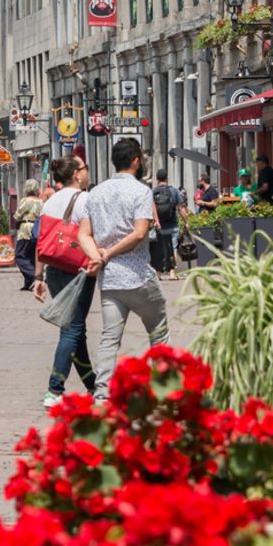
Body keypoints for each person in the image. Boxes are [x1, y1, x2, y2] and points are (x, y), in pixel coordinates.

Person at [78, 137, 171, 401]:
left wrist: (97, 256)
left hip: (110, 280)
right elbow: (140, 233)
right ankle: (162, 388)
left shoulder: (96, 193)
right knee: (158, 330)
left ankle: (102, 394)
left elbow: (84, 234)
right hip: (138, 276)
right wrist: (107, 253)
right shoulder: (141, 191)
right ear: (136, 161)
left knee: (110, 338)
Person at [32, 156, 98, 408]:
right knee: (72, 330)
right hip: (78, 270)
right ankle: (54, 389)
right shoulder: (85, 199)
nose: (87, 172)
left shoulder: (49, 202)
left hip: (55, 269)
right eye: (85, 168)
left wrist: (38, 276)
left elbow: (41, 241)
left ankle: (93, 386)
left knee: (75, 329)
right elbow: (92, 235)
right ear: (76, 175)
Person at [150, 169, 186, 280]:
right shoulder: (174, 191)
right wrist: (186, 221)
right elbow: (180, 208)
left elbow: (151, 208)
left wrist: (156, 221)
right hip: (172, 225)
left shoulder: (153, 192)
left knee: (159, 250)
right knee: (172, 248)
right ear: (167, 178)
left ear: (157, 179)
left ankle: (158, 274)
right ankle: (172, 273)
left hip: (159, 226)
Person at [14, 179, 45, 292]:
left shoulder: (25, 201)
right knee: (32, 256)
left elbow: (17, 215)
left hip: (26, 230)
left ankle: (33, 276)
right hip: (37, 229)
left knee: (20, 256)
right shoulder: (41, 202)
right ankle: (28, 283)